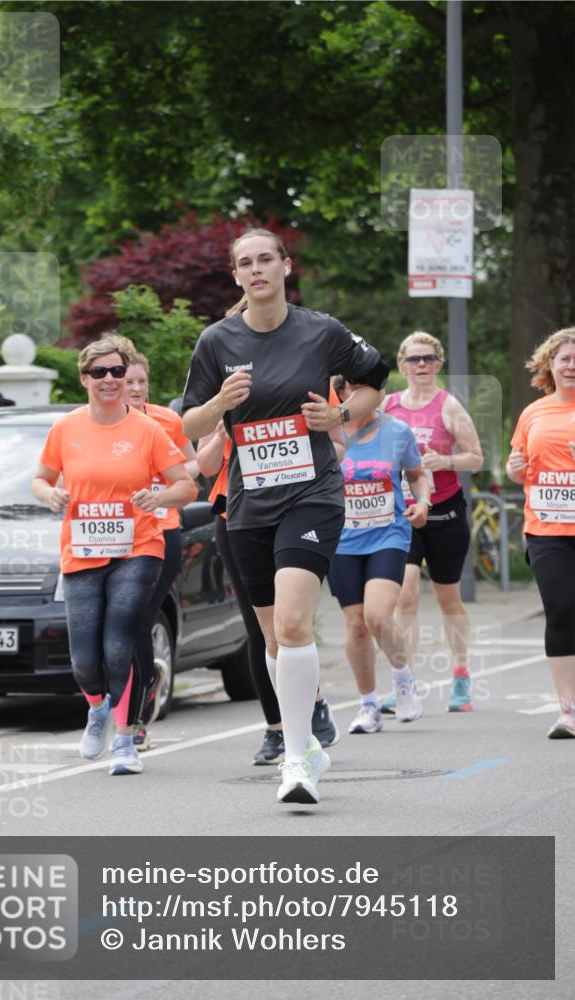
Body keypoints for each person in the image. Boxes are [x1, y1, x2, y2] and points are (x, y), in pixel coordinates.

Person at [182, 228, 389, 804]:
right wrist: (221, 404)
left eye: (265, 260)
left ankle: (296, 760)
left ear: (284, 266)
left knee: (295, 624)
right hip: (249, 505)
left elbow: (377, 380)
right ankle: (305, 744)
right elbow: (188, 425)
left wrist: (341, 413)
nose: (256, 270)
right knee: (275, 639)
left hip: (313, 494)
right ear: (236, 275)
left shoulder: (320, 332)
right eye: (244, 263)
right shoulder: (216, 341)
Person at [32, 334, 197, 775]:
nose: (110, 380)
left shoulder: (148, 430)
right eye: (100, 372)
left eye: (118, 372)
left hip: (138, 548)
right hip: (83, 551)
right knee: (84, 659)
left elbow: (187, 485)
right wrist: (51, 495)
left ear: (128, 377)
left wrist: (158, 496)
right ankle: (97, 708)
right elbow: (40, 478)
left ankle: (125, 741)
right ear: (84, 377)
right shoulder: (66, 428)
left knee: (120, 637)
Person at [197, 418, 340, 765]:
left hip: (296, 508)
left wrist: (296, 453)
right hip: (238, 513)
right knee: (260, 628)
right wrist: (220, 432)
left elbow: (337, 444)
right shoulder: (221, 381)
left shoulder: (307, 369)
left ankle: (312, 703)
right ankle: (277, 728)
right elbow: (205, 465)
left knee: (291, 620)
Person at [381, 331, 483, 714]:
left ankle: (460, 675)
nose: (420, 365)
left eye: (428, 359)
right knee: (404, 594)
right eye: (413, 359)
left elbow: (476, 456)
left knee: (447, 598)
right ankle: (404, 680)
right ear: (401, 364)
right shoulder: (388, 406)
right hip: (405, 515)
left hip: (445, 513)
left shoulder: (449, 406)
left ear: (439, 364)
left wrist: (447, 462)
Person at [328, 379, 429, 730]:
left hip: (389, 533)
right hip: (342, 539)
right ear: (340, 393)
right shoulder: (327, 432)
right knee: (355, 625)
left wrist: (424, 502)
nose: (358, 395)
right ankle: (368, 704)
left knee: (377, 616)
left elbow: (417, 475)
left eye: (365, 388)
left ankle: (403, 678)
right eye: (351, 388)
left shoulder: (397, 431)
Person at [123, 349, 200, 751]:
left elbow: (193, 466)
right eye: (128, 381)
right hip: (114, 536)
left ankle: (135, 720)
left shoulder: (166, 421)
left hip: (162, 531)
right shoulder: (101, 426)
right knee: (116, 625)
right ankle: (134, 687)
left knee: (138, 621)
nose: (135, 388)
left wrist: (163, 481)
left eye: (141, 381)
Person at [506, 327, 575, 739]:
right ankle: (568, 708)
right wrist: (515, 469)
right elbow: (518, 462)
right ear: (551, 364)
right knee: (562, 611)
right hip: (547, 528)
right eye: (565, 358)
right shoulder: (534, 413)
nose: (573, 366)